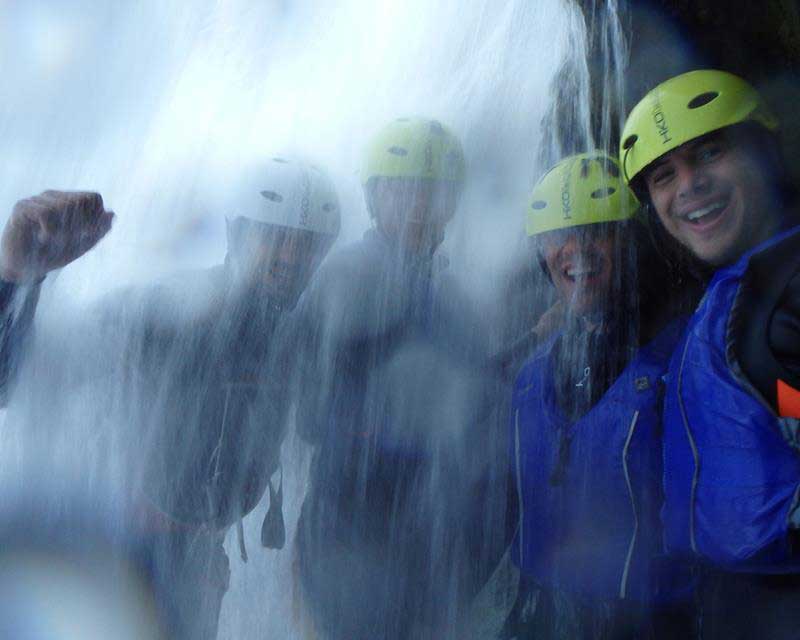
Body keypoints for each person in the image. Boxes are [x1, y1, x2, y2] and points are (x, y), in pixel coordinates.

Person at [0, 158, 341, 640]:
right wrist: (18, 277)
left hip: (196, 557)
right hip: (123, 551)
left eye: (307, 244)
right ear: (237, 235)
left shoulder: (296, 336)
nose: (290, 255)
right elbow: (11, 380)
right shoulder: (170, 311)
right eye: (275, 236)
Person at [292, 117, 506, 639]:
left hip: (422, 533)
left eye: (433, 192)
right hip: (352, 533)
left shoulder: (452, 292)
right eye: (401, 189)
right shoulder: (348, 277)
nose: (418, 204)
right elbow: (314, 416)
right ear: (374, 198)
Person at [620, 69, 800, 639]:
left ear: (766, 153)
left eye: (711, 153)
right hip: (742, 600)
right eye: (664, 176)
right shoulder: (741, 289)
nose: (689, 186)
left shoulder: (785, 294)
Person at [502, 152, 692, 640]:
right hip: (539, 613)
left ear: (631, 242)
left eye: (597, 231)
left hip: (654, 621)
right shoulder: (533, 370)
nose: (575, 249)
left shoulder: (688, 353)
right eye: (554, 238)